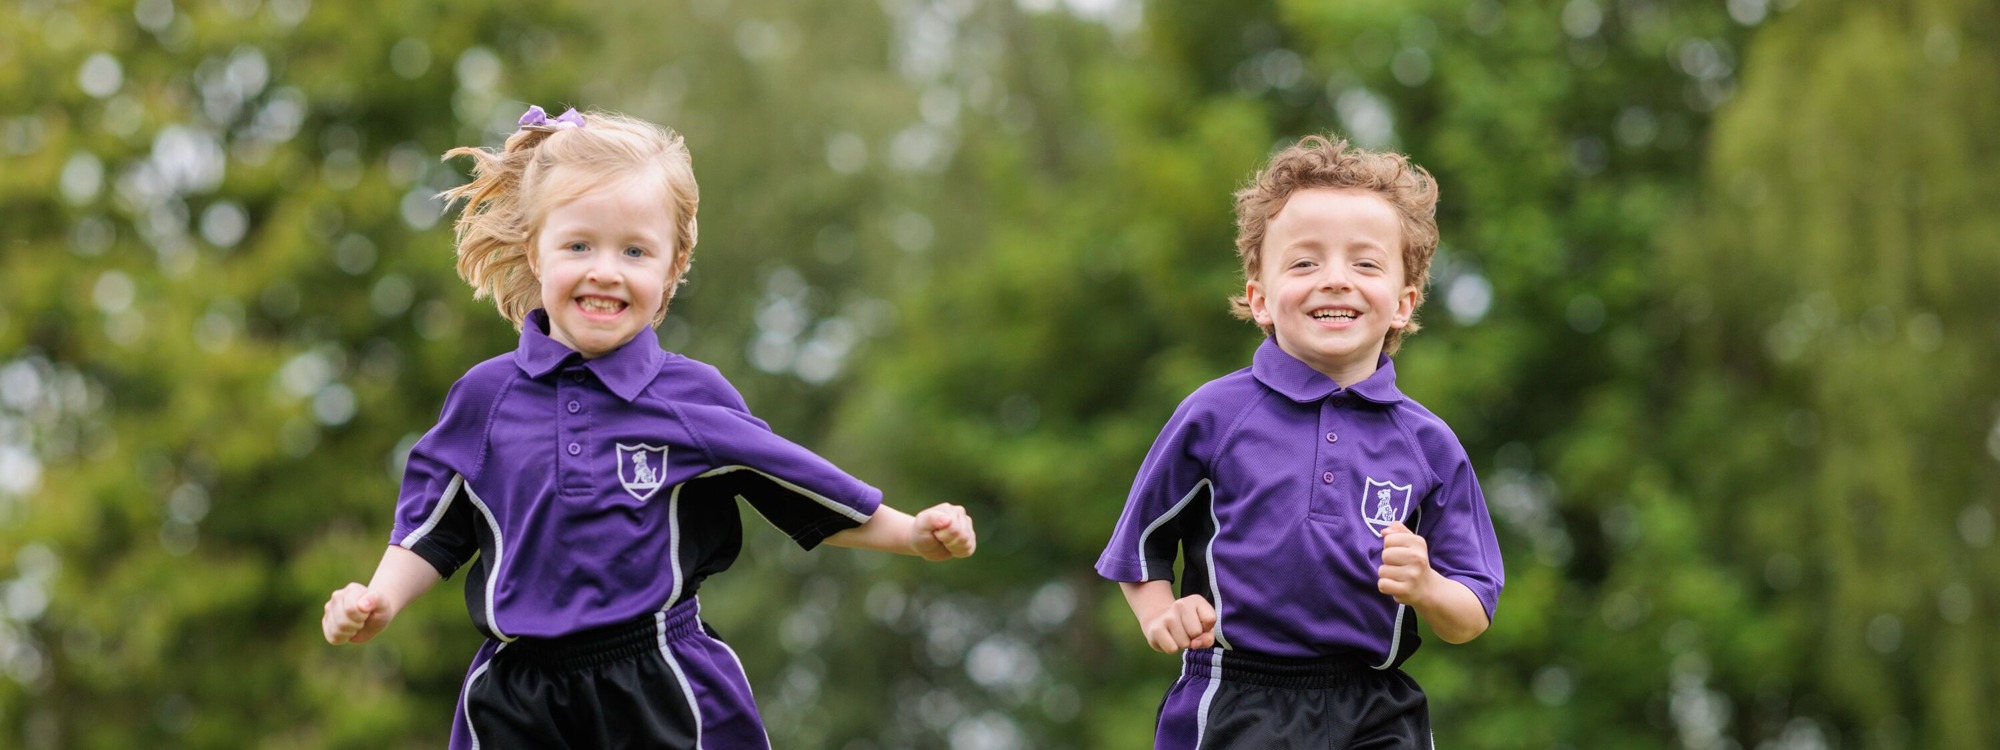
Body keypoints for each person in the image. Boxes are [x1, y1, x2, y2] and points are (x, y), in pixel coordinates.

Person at [320, 106, 976, 749]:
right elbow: (431, 528)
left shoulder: (692, 397)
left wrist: (912, 534)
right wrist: (377, 599)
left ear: (671, 270)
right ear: (536, 252)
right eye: (579, 244)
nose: (606, 270)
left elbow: (802, 489)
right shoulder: (484, 397)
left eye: (635, 250)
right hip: (515, 697)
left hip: (661, 683)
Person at [1095, 134, 1503, 749]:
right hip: (1235, 696)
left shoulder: (1430, 446)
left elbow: (1470, 612)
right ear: (1260, 298)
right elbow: (1138, 549)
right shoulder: (1214, 415)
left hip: (1376, 706)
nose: (1335, 281)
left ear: (1403, 302)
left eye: (1365, 264)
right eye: (1305, 262)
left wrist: (1427, 588)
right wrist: (1160, 616)